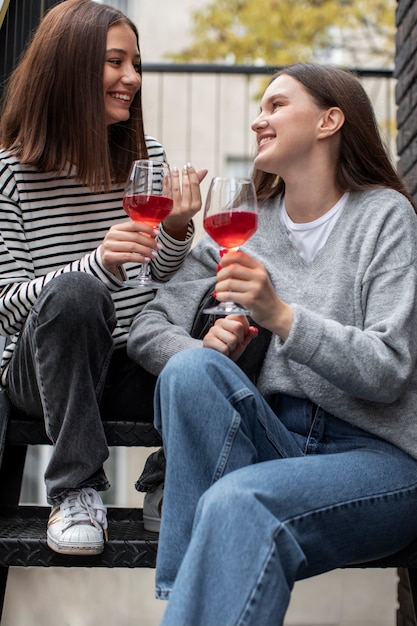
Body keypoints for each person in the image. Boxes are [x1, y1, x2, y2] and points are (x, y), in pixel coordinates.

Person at [127, 62, 417, 625]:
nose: (259, 120)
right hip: (268, 439)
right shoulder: (241, 222)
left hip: (376, 459)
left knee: (237, 502)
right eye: (260, 108)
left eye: (277, 105)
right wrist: (210, 349)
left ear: (330, 120)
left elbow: (388, 370)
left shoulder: (385, 217)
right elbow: (147, 326)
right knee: (192, 372)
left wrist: (281, 316)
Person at [0, 0, 206, 556]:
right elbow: (5, 306)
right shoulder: (10, 173)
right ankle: (75, 491)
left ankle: (171, 477)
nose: (132, 79)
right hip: (43, 374)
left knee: (234, 303)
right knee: (77, 292)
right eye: (116, 63)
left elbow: (153, 276)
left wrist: (179, 231)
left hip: (129, 359)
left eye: (136, 64)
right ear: (69, 67)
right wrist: (93, 265)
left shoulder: (147, 158)